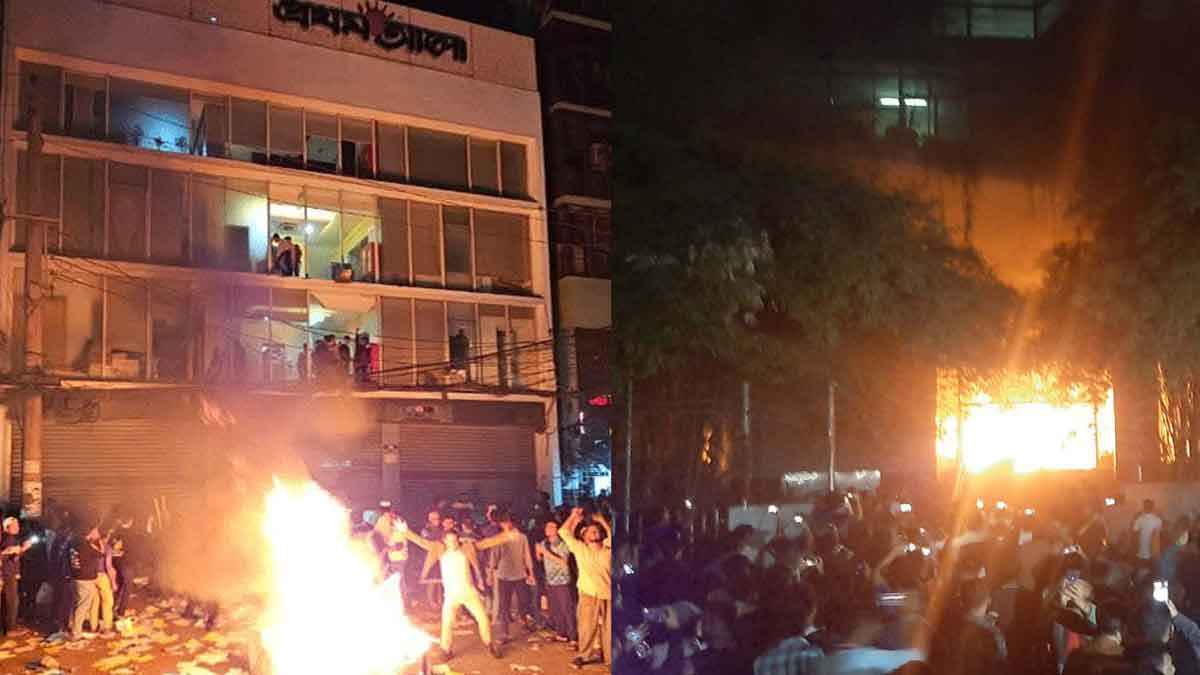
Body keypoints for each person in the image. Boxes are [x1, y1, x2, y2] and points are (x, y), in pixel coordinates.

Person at [399, 520, 502, 660]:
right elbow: (421, 542)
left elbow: (487, 543)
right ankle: (446, 650)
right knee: (447, 623)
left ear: (458, 540)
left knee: (482, 618)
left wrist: (507, 536)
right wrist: (406, 532)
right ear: (445, 541)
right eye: (450, 540)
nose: (453, 543)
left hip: (469, 593)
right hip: (451, 596)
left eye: (455, 540)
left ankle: (489, 644)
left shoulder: (466, 550)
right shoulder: (440, 551)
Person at [561, 507, 612, 668]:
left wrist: (602, 521)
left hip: (608, 593)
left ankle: (610, 658)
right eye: (590, 531)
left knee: (610, 628)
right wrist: (573, 516)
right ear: (584, 537)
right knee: (586, 626)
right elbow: (563, 532)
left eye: (596, 531)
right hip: (588, 593)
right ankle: (583, 655)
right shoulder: (580, 549)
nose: (594, 533)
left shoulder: (608, 548)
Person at [478, 511, 536, 643]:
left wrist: (530, 573)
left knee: (523, 601)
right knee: (504, 605)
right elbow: (494, 557)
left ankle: (524, 620)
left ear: (512, 523)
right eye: (503, 522)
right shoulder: (500, 538)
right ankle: (504, 633)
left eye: (507, 522)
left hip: (520, 575)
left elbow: (527, 555)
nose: (506, 524)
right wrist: (490, 574)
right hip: (504, 575)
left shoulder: (522, 537)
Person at [537, 519, 576, 643]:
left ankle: (573, 637)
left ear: (558, 530)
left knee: (567, 610)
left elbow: (563, 563)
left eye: (552, 526)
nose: (548, 529)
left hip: (563, 581)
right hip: (550, 581)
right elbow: (540, 559)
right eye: (547, 526)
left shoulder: (563, 544)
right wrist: (538, 553)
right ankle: (561, 633)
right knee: (556, 609)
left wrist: (544, 552)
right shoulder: (544, 543)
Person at [68, 526, 103, 638]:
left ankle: (73, 627)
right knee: (83, 606)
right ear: (90, 533)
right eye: (95, 532)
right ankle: (76, 633)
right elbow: (101, 554)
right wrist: (99, 541)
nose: (97, 533)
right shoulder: (86, 546)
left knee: (77, 604)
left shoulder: (74, 543)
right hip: (85, 579)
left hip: (75, 577)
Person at [0, 517, 33, 636]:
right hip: (7, 574)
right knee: (12, 601)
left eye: (18, 525)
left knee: (10, 600)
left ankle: (9, 625)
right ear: (7, 527)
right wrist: (23, 548)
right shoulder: (8, 539)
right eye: (15, 526)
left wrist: (21, 550)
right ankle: (10, 628)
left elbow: (14, 557)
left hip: (9, 573)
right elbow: (8, 557)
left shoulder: (10, 538)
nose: (18, 527)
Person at [1133, 500, 1164, 568]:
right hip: (1153, 553)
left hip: (1142, 552)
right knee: (1151, 571)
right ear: (1152, 507)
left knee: (1142, 571)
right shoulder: (1158, 520)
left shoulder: (1139, 519)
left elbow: (1134, 533)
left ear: (1144, 507)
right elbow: (1159, 536)